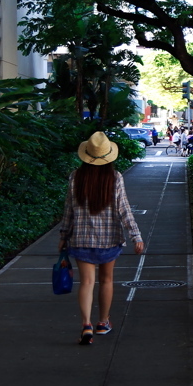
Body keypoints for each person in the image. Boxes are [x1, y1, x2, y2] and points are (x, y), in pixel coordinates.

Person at [58, 131, 145, 345]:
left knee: (87, 282)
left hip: (81, 238)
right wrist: (136, 235)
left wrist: (63, 235)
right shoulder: (114, 177)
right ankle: (103, 322)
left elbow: (68, 210)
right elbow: (123, 209)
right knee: (106, 280)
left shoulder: (75, 177)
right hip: (109, 239)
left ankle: (86, 324)